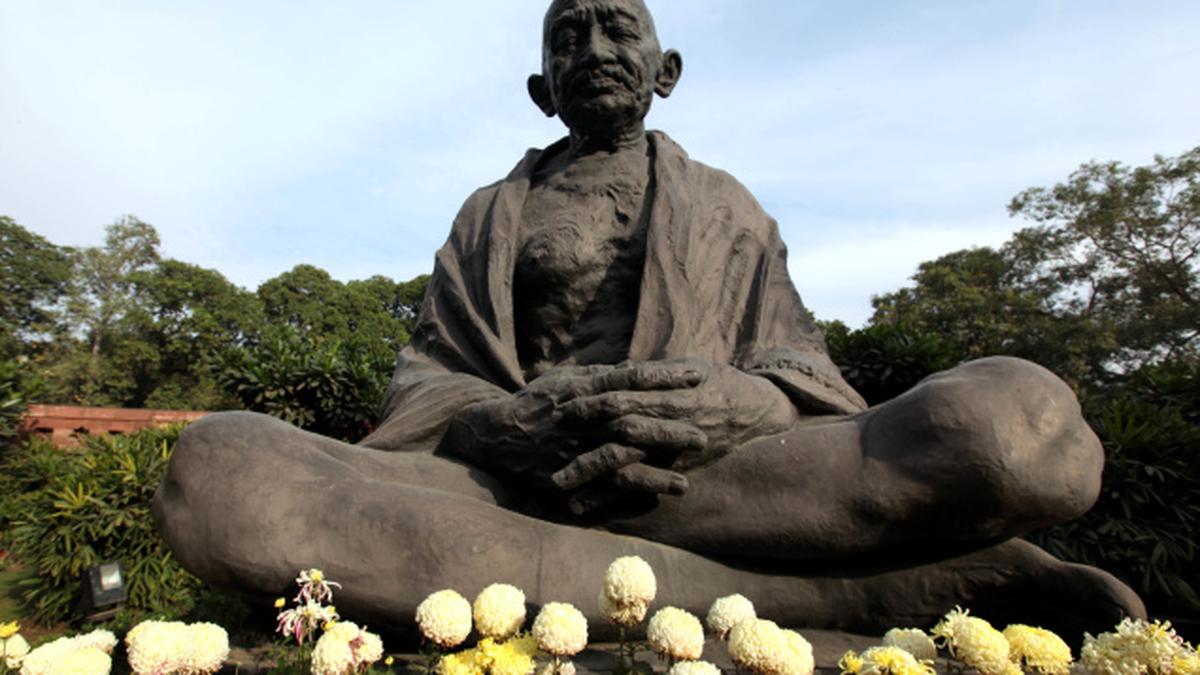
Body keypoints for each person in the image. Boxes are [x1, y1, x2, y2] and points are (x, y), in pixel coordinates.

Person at [154, 0, 1144, 638]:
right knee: (221, 470)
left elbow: (798, 361)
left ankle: (697, 585)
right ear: (542, 89)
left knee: (1012, 427)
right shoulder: (489, 216)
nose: (593, 49)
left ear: (666, 70)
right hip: (515, 490)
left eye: (617, 29)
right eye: (568, 36)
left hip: (722, 477)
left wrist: (750, 401)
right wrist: (494, 423)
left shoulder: (727, 207)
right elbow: (431, 373)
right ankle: (843, 598)